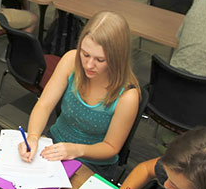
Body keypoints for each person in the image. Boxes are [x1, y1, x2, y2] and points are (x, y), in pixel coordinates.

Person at [19, 11, 139, 170]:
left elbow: (111, 147)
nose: (89, 65)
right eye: (85, 54)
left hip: (92, 162)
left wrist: (75, 150)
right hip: (55, 144)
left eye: (100, 60)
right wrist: (33, 137)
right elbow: (44, 104)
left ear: (118, 58)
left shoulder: (128, 95)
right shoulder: (71, 60)